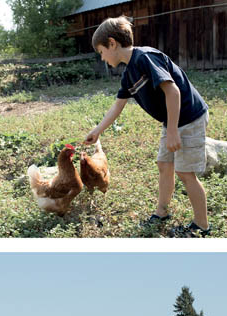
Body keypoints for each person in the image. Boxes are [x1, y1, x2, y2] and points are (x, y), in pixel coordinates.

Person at [83, 16, 212, 238]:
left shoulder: (145, 58)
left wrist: (172, 131)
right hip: (171, 121)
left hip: (189, 117)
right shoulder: (128, 74)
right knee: (164, 165)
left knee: (185, 172)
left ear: (112, 43)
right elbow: (117, 106)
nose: (102, 58)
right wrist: (97, 131)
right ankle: (161, 212)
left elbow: (173, 92)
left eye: (101, 51)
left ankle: (202, 226)